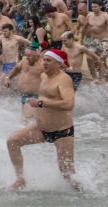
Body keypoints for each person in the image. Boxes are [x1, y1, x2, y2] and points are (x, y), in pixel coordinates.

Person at [6, 49, 80, 191]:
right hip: (41, 128)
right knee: (13, 141)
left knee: (67, 174)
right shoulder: (44, 76)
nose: (44, 63)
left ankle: (83, 194)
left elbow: (69, 104)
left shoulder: (64, 79)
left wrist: (41, 104)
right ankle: (20, 180)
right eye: (44, 59)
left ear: (59, 63)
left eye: (49, 60)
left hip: (62, 131)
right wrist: (10, 78)